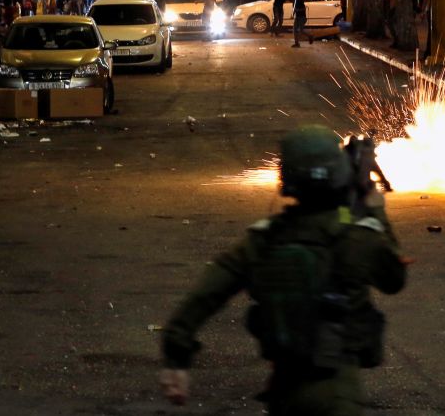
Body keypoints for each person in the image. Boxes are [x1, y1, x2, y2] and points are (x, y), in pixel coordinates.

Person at [160, 126, 406, 415]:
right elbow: (394, 279)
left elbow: (204, 296)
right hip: (339, 396)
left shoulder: (265, 240)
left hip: (283, 395)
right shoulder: (356, 237)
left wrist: (176, 358)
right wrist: (376, 211)